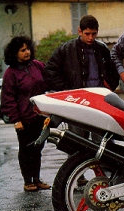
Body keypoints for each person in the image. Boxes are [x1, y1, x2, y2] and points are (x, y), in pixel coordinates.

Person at [44, 15, 120, 185]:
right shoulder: (67, 49)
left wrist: (109, 87)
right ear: (80, 31)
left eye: (94, 34)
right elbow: (49, 71)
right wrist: (67, 91)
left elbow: (113, 72)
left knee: (102, 140)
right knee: (77, 140)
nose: (91, 37)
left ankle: (107, 176)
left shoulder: (101, 49)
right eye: (87, 34)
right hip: (78, 101)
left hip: (99, 101)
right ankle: (78, 177)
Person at [0, 36, 51, 192]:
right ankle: (27, 180)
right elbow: (8, 98)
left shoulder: (37, 66)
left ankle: (36, 179)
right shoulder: (11, 73)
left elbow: (49, 80)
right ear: (15, 53)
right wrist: (16, 120)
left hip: (40, 117)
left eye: (28, 49)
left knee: (38, 149)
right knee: (26, 150)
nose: (27, 52)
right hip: (24, 119)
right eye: (23, 50)